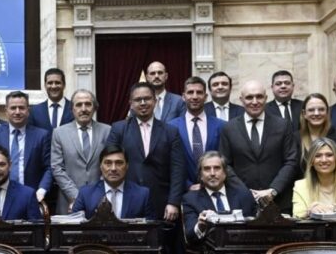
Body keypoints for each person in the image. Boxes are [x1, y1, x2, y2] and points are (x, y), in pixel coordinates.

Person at [107, 82, 185, 254]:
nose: (143, 103)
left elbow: (178, 169)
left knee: (160, 248)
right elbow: (108, 165)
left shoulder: (170, 131)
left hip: (162, 203)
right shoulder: (119, 129)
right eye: (138, 100)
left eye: (147, 98)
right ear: (131, 104)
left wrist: (173, 202)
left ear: (155, 100)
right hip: (128, 200)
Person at [219, 80, 298, 213]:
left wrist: (273, 190)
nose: (255, 101)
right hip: (242, 202)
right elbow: (225, 164)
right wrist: (245, 192)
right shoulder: (229, 128)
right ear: (241, 100)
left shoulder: (283, 125)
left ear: (266, 98)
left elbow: (291, 160)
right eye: (249, 97)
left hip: (278, 201)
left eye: (259, 96)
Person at [0, 91, 52, 202]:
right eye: (13, 108)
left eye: (21, 108)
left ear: (28, 111)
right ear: (6, 111)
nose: (17, 112)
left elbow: (49, 167)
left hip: (33, 196)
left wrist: (41, 190)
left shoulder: (42, 136)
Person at [51, 89, 110, 214]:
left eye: (88, 104)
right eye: (79, 105)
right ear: (72, 109)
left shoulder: (107, 131)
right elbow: (57, 168)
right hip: (69, 200)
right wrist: (77, 197)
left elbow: (110, 165)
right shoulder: (59, 133)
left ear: (95, 108)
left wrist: (95, 196)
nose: (84, 109)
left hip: (101, 200)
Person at [181, 151, 256, 244]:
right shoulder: (190, 200)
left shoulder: (243, 195)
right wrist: (200, 226)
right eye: (207, 169)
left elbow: (254, 229)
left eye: (217, 168)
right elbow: (190, 236)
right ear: (200, 175)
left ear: (225, 173)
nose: (212, 173)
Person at [168, 77, 227, 189]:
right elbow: (169, 164)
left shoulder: (221, 126)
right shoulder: (171, 127)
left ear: (205, 97)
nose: (195, 97)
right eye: (190, 92)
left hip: (215, 189)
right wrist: (187, 186)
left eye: (199, 92)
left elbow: (225, 161)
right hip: (183, 192)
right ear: (183, 97)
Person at [72, 145, 154, 220]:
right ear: (100, 166)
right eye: (108, 163)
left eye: (119, 163)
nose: (113, 168)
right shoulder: (86, 194)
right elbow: (74, 227)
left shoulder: (142, 195)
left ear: (127, 166)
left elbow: (151, 230)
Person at [295, 93, 336, 178]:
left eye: (321, 109)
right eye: (311, 110)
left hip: (335, 188)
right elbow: (292, 169)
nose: (316, 113)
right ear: (304, 113)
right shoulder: (295, 138)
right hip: (303, 188)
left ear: (327, 112)